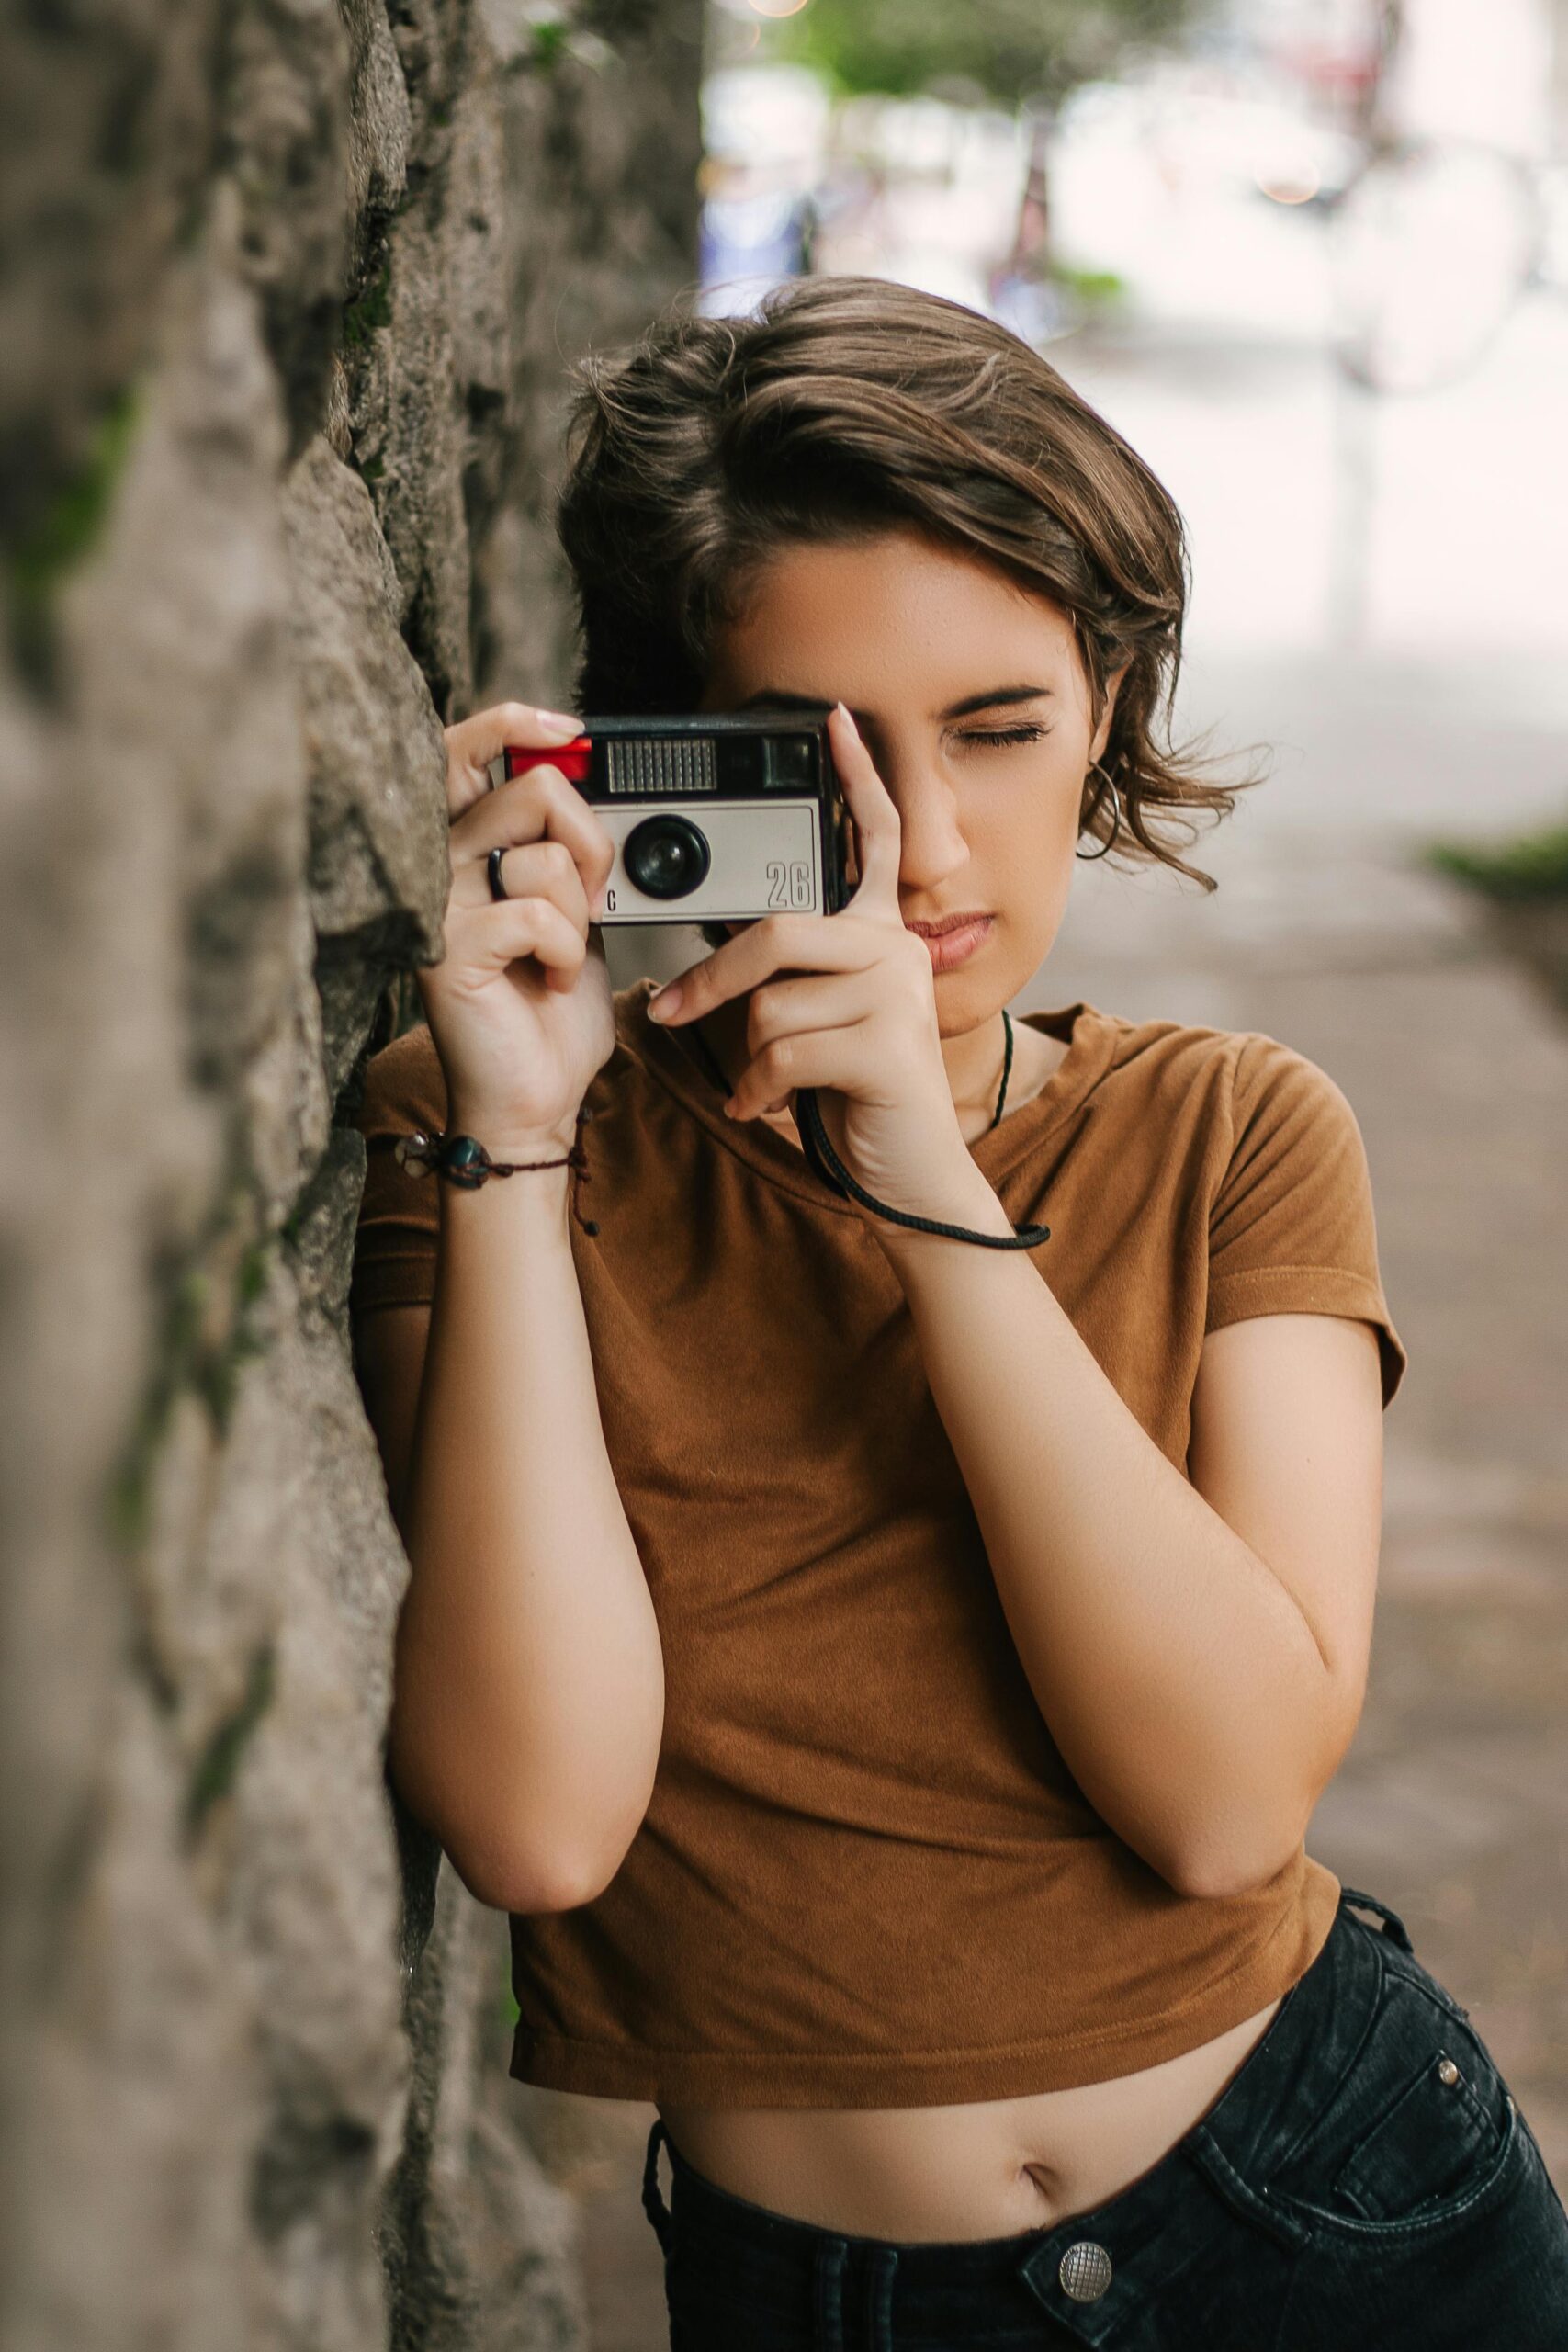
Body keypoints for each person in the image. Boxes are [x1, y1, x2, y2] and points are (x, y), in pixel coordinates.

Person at [348, 277, 1568, 2348]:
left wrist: (919, 1168)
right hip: (834, 2291)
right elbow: (542, 1820)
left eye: (998, 727)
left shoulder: (1231, 1130)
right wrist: (524, 1144)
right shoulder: (486, 1124)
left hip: (1342, 2197)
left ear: (1101, 700)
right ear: (670, 749)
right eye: (820, 758)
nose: (920, 849)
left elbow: (1217, 1802)